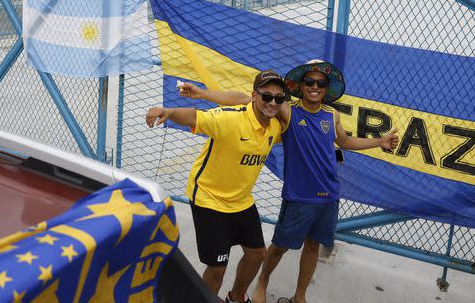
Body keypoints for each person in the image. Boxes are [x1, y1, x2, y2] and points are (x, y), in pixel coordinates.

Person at [179, 59, 399, 303]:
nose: (315, 86)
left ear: (327, 88)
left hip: (328, 195)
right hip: (298, 195)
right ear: (301, 85)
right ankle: (262, 282)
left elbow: (345, 142)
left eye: (321, 83)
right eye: (309, 81)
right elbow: (243, 99)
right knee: (280, 246)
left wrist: (380, 142)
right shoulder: (287, 109)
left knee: (313, 246)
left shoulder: (332, 114)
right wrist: (202, 93)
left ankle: (300, 296)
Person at [146, 70, 288, 303]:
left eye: (279, 98)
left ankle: (235, 298)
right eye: (266, 96)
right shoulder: (230, 120)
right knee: (217, 268)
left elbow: (247, 99)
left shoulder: (275, 127)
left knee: (256, 254)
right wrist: (168, 112)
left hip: (241, 200)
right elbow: (194, 117)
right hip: (209, 198)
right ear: (255, 96)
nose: (272, 102)